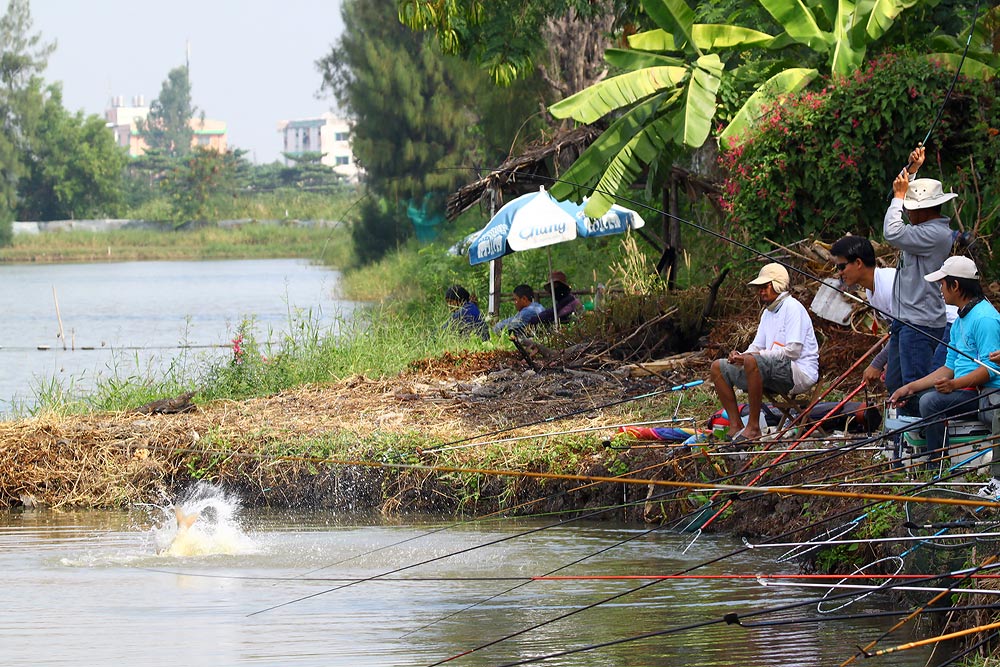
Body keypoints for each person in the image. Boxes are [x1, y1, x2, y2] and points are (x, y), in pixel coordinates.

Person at [887, 257, 1000, 478]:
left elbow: (990, 369)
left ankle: (936, 465)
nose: (940, 289)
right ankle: (910, 458)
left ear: (955, 285)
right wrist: (910, 388)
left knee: (931, 402)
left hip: (986, 394)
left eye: (942, 283)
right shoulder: (960, 321)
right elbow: (948, 367)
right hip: (965, 390)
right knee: (915, 398)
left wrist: (954, 384)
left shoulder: (985, 318)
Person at [710, 263, 820, 441]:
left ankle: (753, 428)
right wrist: (741, 355)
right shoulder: (767, 313)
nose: (760, 291)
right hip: (771, 370)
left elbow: (793, 351)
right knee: (717, 367)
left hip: (799, 372)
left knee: (752, 361)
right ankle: (736, 425)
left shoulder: (792, 307)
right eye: (759, 288)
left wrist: (753, 358)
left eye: (765, 286)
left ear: (778, 285)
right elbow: (756, 346)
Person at [883, 145, 955, 412]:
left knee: (914, 387)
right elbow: (898, 197)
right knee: (895, 384)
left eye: (911, 207)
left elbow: (891, 231)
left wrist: (899, 196)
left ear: (925, 210)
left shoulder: (935, 234)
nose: (907, 212)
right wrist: (911, 171)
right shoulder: (923, 228)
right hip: (906, 321)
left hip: (920, 324)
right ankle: (907, 438)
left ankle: (921, 445)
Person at [828, 236, 896, 387]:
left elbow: (905, 330)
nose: (839, 273)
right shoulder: (872, 291)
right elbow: (896, 332)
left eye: (841, 267)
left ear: (858, 263)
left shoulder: (889, 283)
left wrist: (878, 363)